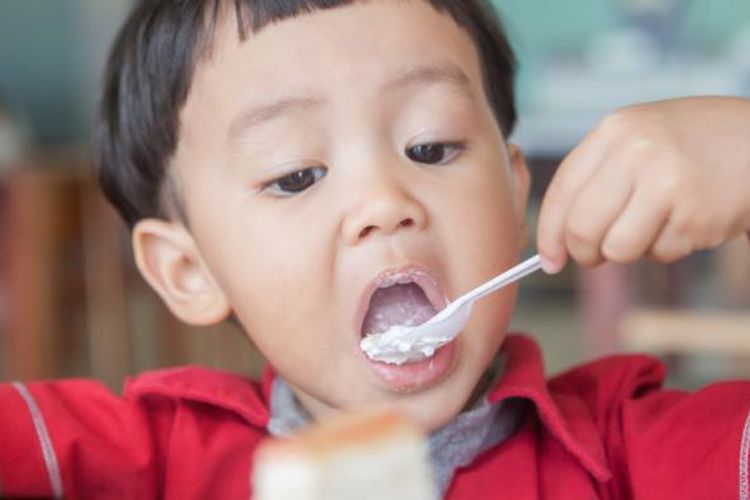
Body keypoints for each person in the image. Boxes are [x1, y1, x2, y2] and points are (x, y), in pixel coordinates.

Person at [1, 0, 749, 497]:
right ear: (189, 270)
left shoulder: (622, 454)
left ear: (515, 196)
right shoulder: (151, 461)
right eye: (297, 175)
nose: (385, 204)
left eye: (431, 145)